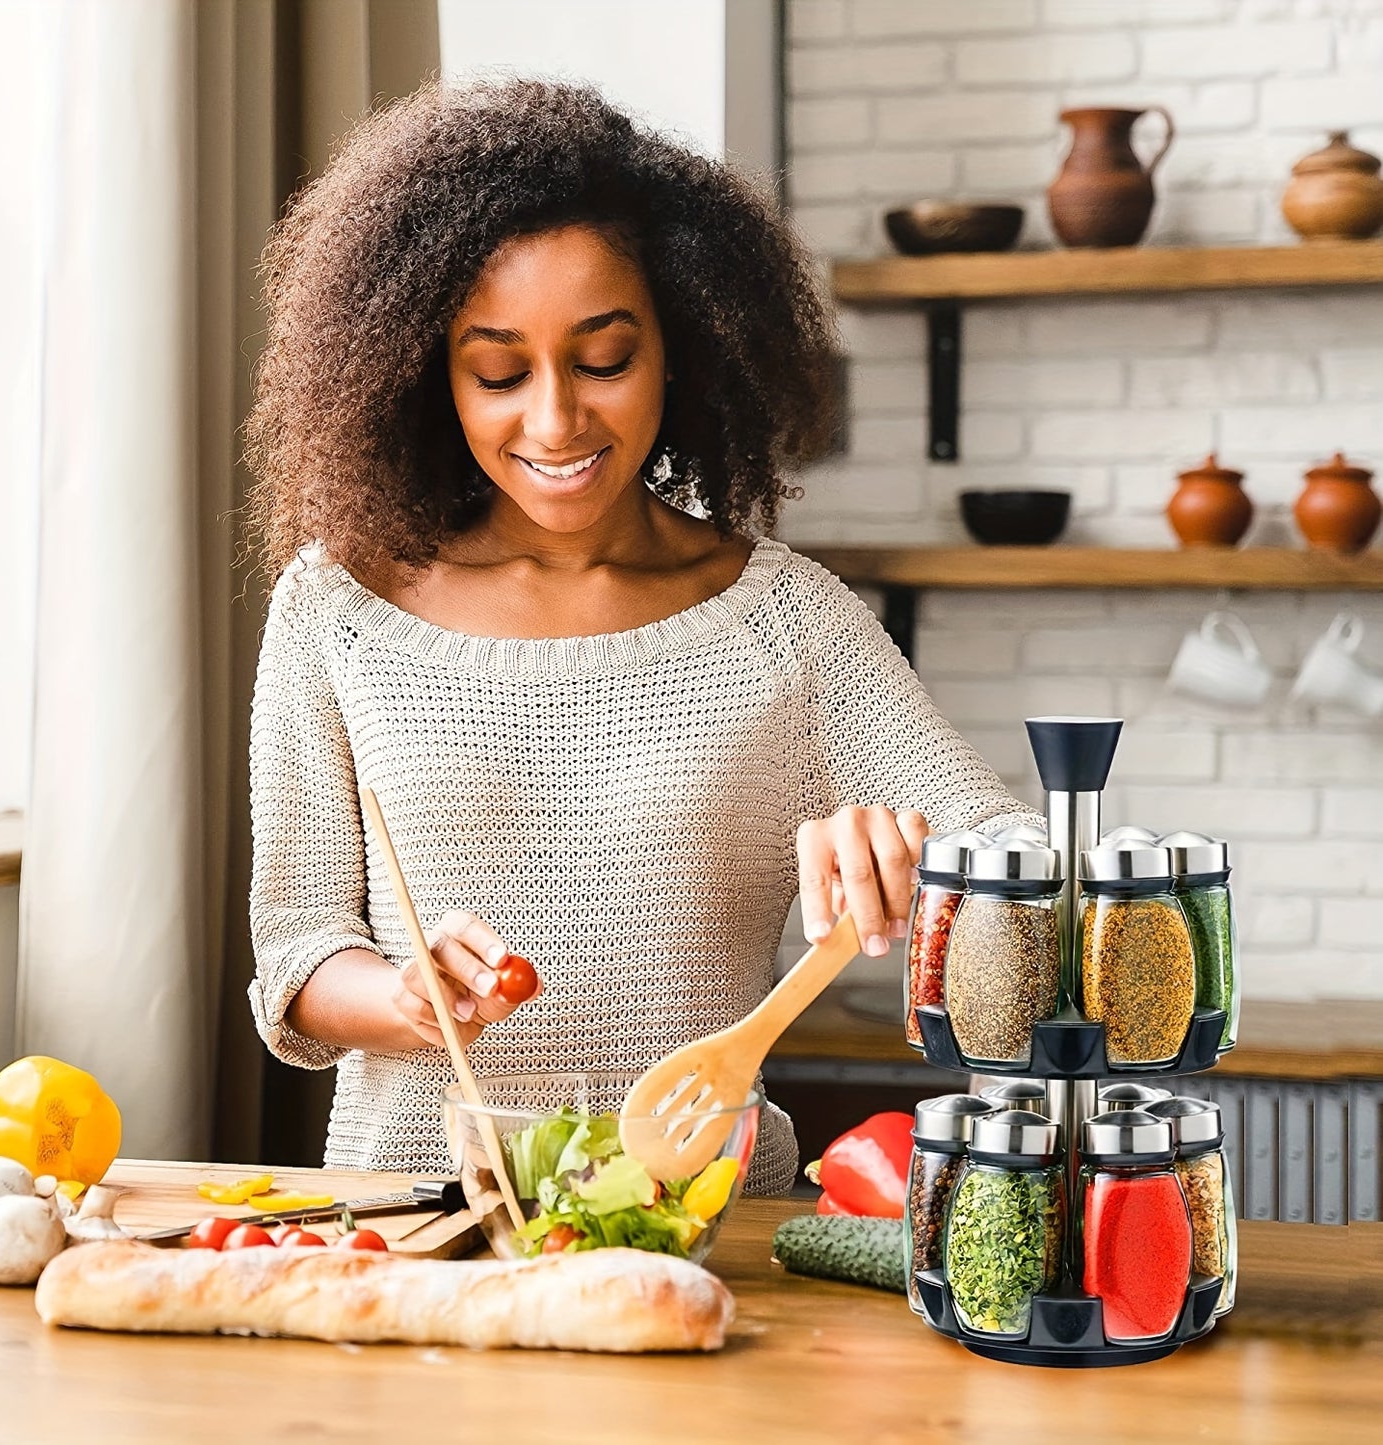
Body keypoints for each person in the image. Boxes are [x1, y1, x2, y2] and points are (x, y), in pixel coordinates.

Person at [244, 78, 1033, 1193]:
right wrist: (401, 992)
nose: (556, 420)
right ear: (431, 375)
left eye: (603, 358)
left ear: (682, 345)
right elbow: (294, 955)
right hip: (420, 1224)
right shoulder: (338, 606)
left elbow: (1016, 864)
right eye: (499, 371)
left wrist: (916, 857)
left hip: (712, 1230)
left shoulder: (783, 621)